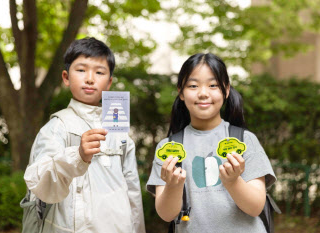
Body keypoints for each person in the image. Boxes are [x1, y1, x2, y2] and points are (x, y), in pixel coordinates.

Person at [23, 37, 145, 233]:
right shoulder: (58, 127)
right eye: (81, 70)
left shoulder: (120, 132)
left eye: (99, 72)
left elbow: (132, 191)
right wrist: (77, 156)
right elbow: (40, 184)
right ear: (66, 77)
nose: (90, 78)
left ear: (109, 82)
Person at [146, 53, 276, 232]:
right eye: (193, 85)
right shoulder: (168, 148)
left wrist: (232, 181)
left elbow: (255, 207)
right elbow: (166, 215)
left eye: (213, 85)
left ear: (226, 90)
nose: (203, 93)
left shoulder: (245, 140)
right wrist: (174, 186)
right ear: (181, 93)